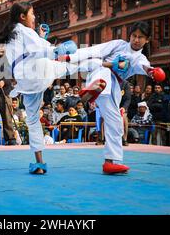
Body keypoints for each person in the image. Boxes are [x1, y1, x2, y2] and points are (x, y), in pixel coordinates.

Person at [60, 21, 164, 174]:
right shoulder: (119, 44)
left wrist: (153, 72)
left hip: (114, 86)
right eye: (134, 36)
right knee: (100, 68)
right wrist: (69, 57)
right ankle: (93, 90)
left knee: (116, 122)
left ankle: (110, 162)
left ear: (146, 39)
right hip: (98, 71)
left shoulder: (139, 58)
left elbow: (145, 67)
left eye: (140, 37)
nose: (136, 40)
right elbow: (96, 49)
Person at [0, 1, 79, 174]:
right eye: (32, 13)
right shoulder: (23, 30)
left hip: (25, 80)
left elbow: (30, 50)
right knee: (71, 64)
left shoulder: (11, 35)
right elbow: (38, 50)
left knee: (32, 120)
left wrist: (41, 38)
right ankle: (102, 63)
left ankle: (39, 164)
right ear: (22, 16)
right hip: (37, 71)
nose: (34, 17)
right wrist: (57, 50)